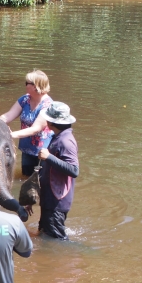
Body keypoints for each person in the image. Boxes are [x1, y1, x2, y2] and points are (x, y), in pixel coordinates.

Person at [31, 102, 79, 240]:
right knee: (45, 234)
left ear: (50, 122)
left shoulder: (65, 141)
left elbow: (74, 170)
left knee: (57, 242)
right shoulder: (58, 137)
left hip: (56, 201)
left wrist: (49, 157)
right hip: (50, 198)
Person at [0, 70, 53, 176]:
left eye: (27, 83)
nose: (25, 85)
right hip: (26, 148)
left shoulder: (48, 105)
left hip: (42, 152)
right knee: (25, 177)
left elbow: (35, 129)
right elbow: (9, 115)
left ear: (35, 86)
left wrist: (10, 135)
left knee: (40, 181)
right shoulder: (25, 100)